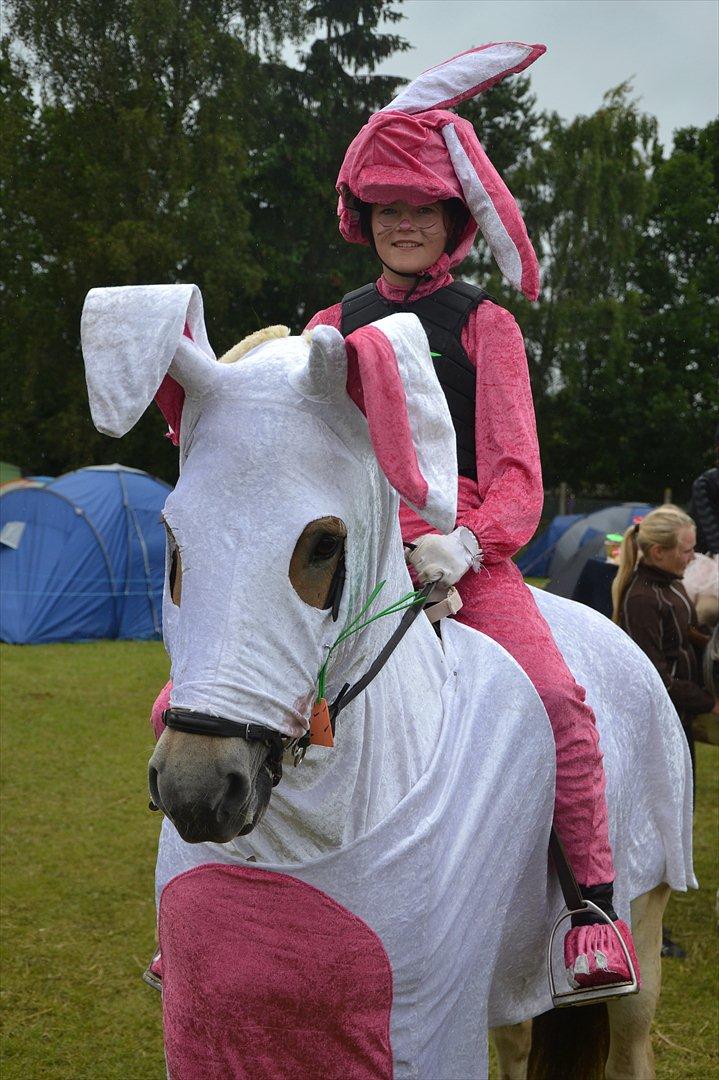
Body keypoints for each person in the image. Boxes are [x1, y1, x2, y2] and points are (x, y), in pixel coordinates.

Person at [304, 43, 638, 991]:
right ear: (362, 215)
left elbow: (519, 479)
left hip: (467, 563)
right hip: (356, 559)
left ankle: (592, 911)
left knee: (561, 701)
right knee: (244, 687)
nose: (403, 224)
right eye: (388, 209)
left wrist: (462, 544)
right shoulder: (332, 323)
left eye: (421, 209)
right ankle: (225, 887)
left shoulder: (485, 326)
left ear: (451, 217)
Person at [611, 504, 718, 957]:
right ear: (658, 551)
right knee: (659, 824)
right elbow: (654, 674)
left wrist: (707, 637)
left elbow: (685, 637)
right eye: (687, 552)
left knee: (677, 818)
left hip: (679, 724)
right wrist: (709, 701)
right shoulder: (642, 598)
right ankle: (649, 926)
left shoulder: (671, 588)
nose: (692, 559)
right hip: (659, 728)